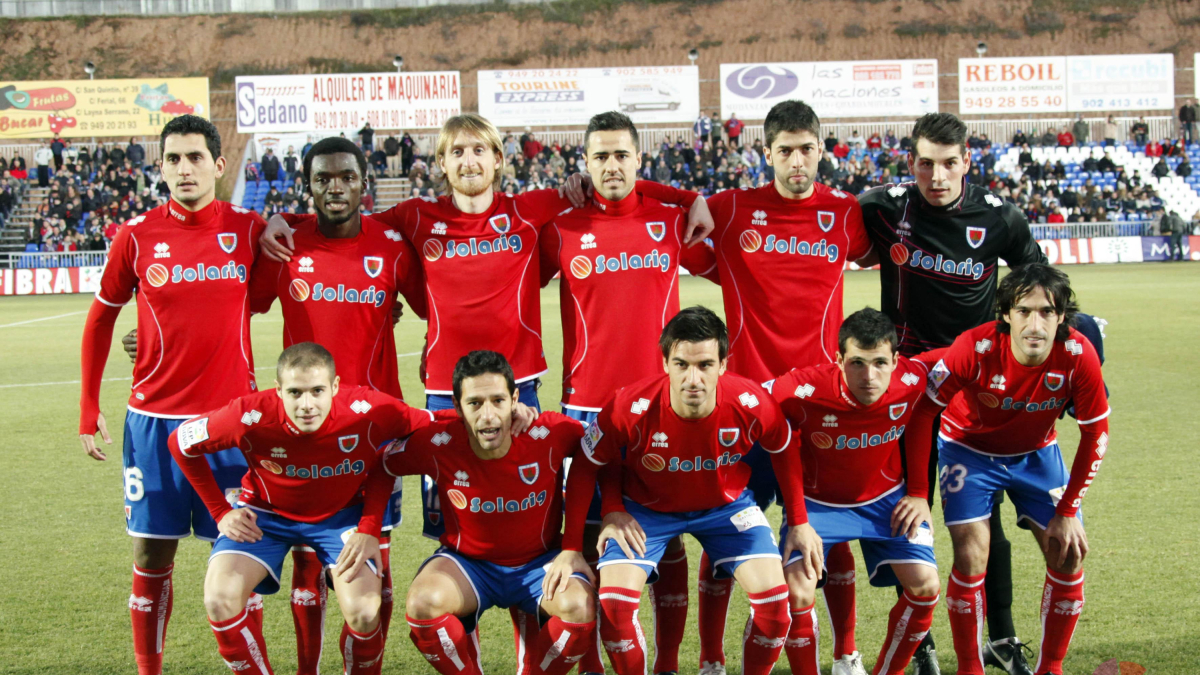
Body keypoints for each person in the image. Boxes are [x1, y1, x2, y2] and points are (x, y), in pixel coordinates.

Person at [858, 112, 1048, 675]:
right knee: (909, 516)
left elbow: (1039, 289)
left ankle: (1003, 635)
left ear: (968, 160)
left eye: (948, 163)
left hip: (976, 388)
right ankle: (919, 639)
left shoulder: (999, 219)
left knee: (979, 520)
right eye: (924, 163)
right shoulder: (884, 207)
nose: (936, 175)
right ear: (909, 161)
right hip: (910, 388)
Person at [78, 115, 267, 675]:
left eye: (194, 157)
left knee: (238, 559)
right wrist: (89, 408)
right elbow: (99, 321)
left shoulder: (250, 229)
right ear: (161, 167)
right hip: (153, 423)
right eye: (173, 159)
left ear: (218, 163)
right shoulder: (136, 236)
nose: (184, 169)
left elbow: (278, 292)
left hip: (229, 427)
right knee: (151, 554)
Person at [690, 99, 873, 675]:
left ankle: (844, 653)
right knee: (723, 531)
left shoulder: (845, 214)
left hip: (820, 406)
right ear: (765, 153)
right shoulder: (730, 210)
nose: (797, 161)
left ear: (823, 149)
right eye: (785, 150)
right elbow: (669, 227)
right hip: (744, 404)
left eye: (807, 148)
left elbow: (892, 247)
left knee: (830, 532)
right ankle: (712, 659)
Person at [538, 111, 717, 675]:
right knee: (593, 537)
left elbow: (723, 263)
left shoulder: (669, 220)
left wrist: (689, 194)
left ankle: (666, 664)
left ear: (639, 161)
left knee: (668, 537)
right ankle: (593, 665)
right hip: (588, 406)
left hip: (662, 409)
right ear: (584, 164)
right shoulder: (560, 226)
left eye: (621, 155)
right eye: (600, 157)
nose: (611, 166)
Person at [552, 306, 803, 675]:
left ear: (723, 364)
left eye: (704, 365)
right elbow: (588, 464)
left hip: (725, 508)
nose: (693, 378)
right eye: (682, 364)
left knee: (776, 608)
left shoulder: (751, 402)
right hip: (647, 511)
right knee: (616, 606)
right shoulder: (629, 405)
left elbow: (784, 449)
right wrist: (581, 539)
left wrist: (798, 521)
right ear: (666, 363)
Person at [165, 342, 440, 675]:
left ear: (335, 387)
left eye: (317, 391)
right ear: (278, 390)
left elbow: (432, 424)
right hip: (263, 516)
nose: (306, 404)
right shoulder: (247, 415)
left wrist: (511, 417)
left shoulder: (370, 408)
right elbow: (180, 441)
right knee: (219, 600)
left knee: (365, 612)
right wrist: (221, 512)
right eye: (295, 392)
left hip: (341, 517)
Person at [906, 264, 1111, 675]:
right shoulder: (974, 346)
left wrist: (1068, 511)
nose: (1035, 324)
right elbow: (924, 411)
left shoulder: (1078, 354)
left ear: (1062, 316)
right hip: (969, 450)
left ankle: (1050, 667)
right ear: (1005, 314)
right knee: (971, 553)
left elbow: (1096, 437)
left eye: (1047, 312)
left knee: (1068, 554)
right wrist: (916, 492)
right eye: (1024, 311)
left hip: (1036, 453)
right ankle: (970, 667)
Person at [383, 350, 597, 675]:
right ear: (457, 407)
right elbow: (381, 464)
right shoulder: (437, 443)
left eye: (498, 400)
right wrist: (369, 529)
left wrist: (577, 543)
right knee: (422, 603)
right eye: (475, 403)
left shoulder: (549, 432)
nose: (488, 415)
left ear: (514, 399)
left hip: (539, 563)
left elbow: (601, 449)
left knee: (580, 607)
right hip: (469, 565)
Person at [770, 309, 940, 675]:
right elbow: (774, 436)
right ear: (838, 360)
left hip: (886, 502)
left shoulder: (913, 379)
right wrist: (797, 519)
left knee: (926, 587)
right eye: (857, 363)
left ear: (896, 360)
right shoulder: (802, 390)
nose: (869, 376)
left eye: (880, 362)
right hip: (818, 507)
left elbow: (924, 412)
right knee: (797, 595)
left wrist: (920, 492)